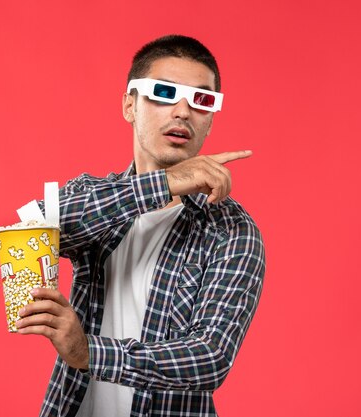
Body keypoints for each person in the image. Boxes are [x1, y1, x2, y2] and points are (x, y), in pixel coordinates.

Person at [15, 34, 266, 417]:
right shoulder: (94, 196)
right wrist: (163, 184)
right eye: (164, 93)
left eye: (201, 100)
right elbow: (33, 224)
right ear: (130, 105)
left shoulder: (232, 230)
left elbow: (210, 357)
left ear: (211, 119)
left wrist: (89, 352)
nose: (182, 111)